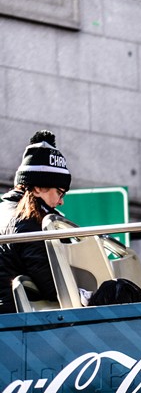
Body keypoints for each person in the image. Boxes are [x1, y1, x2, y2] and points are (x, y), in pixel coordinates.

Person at [0, 130, 72, 313]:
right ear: (39, 187)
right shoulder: (27, 221)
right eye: (60, 192)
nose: (61, 201)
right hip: (16, 327)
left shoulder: (7, 212)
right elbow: (54, 286)